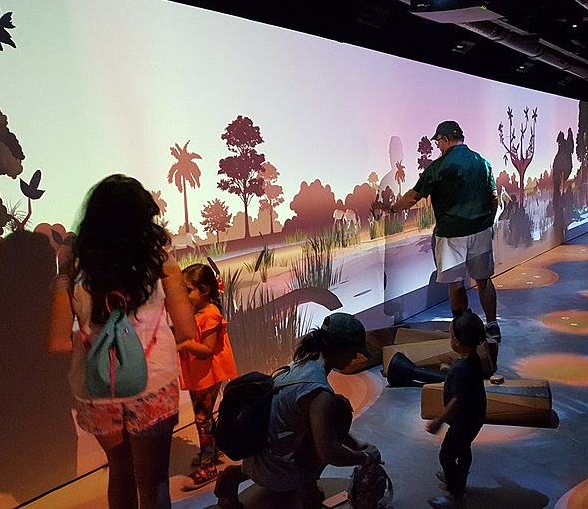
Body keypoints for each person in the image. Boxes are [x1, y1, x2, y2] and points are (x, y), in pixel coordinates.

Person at [47, 174, 198, 509]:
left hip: (98, 389)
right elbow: (188, 332)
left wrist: (96, 339)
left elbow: (57, 343)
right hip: (154, 386)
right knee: (154, 481)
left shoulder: (74, 269)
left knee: (121, 472)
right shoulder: (160, 264)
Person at [214, 313, 381, 509]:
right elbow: (329, 452)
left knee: (328, 416)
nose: (355, 357)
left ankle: (234, 475)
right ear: (338, 348)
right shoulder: (319, 393)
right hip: (275, 474)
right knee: (341, 411)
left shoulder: (302, 363)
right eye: (353, 350)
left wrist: (356, 444)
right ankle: (305, 484)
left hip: (257, 458)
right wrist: (365, 458)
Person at [378, 121, 501, 340]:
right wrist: (487, 222)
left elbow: (413, 197)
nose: (438, 147)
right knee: (484, 280)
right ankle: (492, 325)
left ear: (445, 139)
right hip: (481, 231)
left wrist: (392, 208)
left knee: (455, 284)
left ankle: (462, 328)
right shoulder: (483, 162)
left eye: (439, 143)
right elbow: (494, 198)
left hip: (451, 235)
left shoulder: (439, 167)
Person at [177, 263, 238, 490]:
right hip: (200, 374)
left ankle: (208, 464)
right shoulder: (198, 312)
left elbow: (207, 350)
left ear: (203, 290)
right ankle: (211, 451)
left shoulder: (210, 315)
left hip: (207, 374)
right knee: (205, 416)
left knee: (202, 418)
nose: (184, 295)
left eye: (188, 290)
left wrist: (184, 344)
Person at [425, 311, 488, 509]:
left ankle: (455, 496)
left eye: (450, 335)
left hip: (463, 421)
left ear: (458, 342)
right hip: (475, 417)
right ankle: (459, 477)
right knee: (463, 448)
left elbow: (457, 400)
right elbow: (464, 377)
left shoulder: (461, 369)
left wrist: (439, 421)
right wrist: (450, 366)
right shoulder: (472, 360)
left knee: (446, 455)